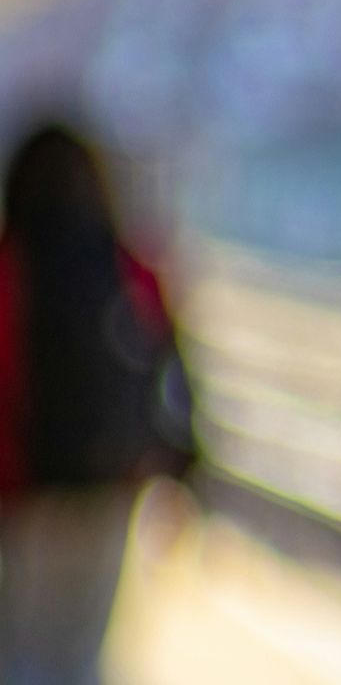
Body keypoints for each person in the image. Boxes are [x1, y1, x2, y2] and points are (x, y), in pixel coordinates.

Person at [0, 122, 194, 684]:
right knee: (84, 646)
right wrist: (183, 463)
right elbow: (172, 369)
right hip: (113, 483)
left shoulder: (12, 265)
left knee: (22, 643)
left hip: (25, 492)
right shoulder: (127, 265)